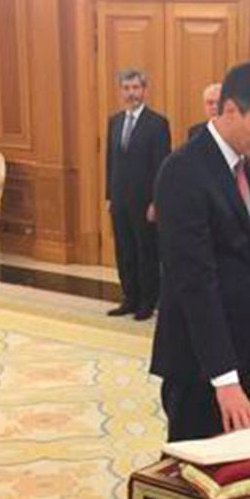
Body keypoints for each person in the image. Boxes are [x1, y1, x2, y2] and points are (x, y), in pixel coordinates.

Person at [150, 62, 250, 442]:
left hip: (237, 347)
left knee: (232, 460)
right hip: (199, 362)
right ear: (229, 111)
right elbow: (195, 280)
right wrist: (224, 379)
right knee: (195, 473)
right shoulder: (183, 171)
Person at [104, 68, 171, 321]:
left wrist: (157, 201)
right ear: (120, 91)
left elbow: (162, 166)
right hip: (119, 200)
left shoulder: (157, 123)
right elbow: (110, 162)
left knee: (146, 251)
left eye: (135, 88)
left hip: (145, 203)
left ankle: (147, 301)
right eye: (126, 88)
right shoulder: (115, 121)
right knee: (124, 250)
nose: (131, 93)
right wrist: (109, 195)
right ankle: (129, 298)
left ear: (144, 90)